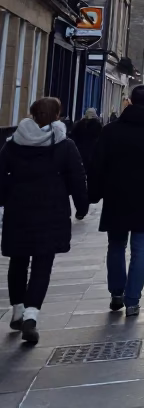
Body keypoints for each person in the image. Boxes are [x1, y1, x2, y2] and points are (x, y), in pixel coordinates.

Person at [0, 97, 88, 345]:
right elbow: (77, 178)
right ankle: (31, 316)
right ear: (57, 115)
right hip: (50, 212)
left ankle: (17, 309)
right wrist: (82, 206)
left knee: (18, 261)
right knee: (41, 265)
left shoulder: (13, 143)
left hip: (18, 210)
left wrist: (6, 197)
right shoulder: (64, 144)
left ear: (32, 114)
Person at [88, 85, 144, 316]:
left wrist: (96, 190)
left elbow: (97, 162)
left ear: (129, 101)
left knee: (116, 246)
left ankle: (116, 292)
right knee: (140, 249)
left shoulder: (112, 130)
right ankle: (132, 300)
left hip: (116, 194)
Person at [70, 108, 103, 176]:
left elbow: (73, 136)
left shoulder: (79, 124)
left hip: (79, 150)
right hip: (92, 151)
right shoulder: (98, 125)